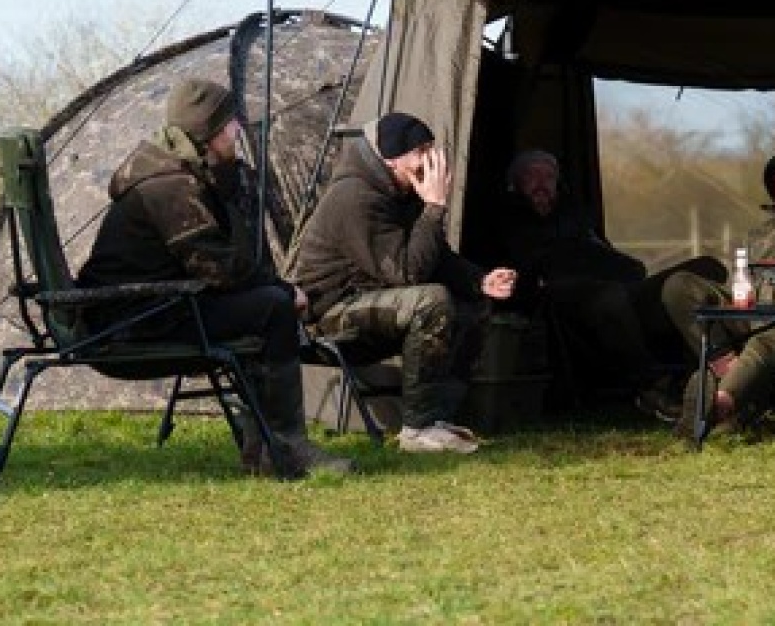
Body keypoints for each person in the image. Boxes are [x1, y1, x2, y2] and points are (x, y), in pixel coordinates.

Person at [77, 78, 354, 478]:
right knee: (273, 309)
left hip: (143, 309)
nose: (237, 134)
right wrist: (282, 289)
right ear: (208, 133)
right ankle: (288, 450)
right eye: (231, 128)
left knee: (260, 306)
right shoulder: (171, 187)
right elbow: (218, 268)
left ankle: (264, 449)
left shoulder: (172, 173)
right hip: (136, 321)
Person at [288, 113, 518, 454]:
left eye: (430, 148)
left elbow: (434, 256)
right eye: (420, 151)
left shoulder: (399, 190)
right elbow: (408, 273)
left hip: (373, 301)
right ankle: (418, 429)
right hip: (328, 316)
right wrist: (435, 207)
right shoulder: (356, 196)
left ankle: (438, 417)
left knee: (472, 307)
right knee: (431, 300)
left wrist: (479, 280)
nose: (430, 159)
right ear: (392, 159)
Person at [496, 149, 714, 420]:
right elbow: (530, 273)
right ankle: (652, 387)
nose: (542, 184)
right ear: (515, 183)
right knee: (610, 296)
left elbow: (623, 264)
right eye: (532, 176)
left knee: (706, 268)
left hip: (621, 292)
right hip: (567, 300)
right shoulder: (506, 221)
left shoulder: (576, 217)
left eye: (549, 177)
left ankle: (715, 375)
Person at [675, 149, 775, 439]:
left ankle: (720, 405)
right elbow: (739, 280)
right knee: (680, 286)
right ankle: (721, 363)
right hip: (749, 310)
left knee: (767, 339)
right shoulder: (760, 233)